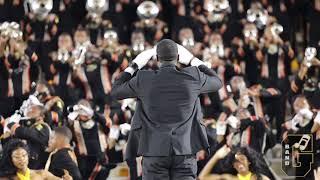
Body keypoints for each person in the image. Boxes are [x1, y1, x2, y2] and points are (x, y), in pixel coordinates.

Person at [111, 39, 222, 179]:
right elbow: (217, 82)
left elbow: (115, 91)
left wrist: (134, 65)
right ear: (178, 58)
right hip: (185, 150)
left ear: (157, 59)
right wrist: (193, 60)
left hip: (154, 151)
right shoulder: (193, 76)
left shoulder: (144, 79)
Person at [0, 138, 72, 180]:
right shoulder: (6, 178)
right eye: (16, 157)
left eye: (24, 155)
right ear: (10, 159)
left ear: (28, 156)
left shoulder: (42, 174)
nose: (21, 159)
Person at [6, 105, 51, 170]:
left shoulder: (42, 126)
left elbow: (28, 133)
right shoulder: (32, 126)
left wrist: (13, 125)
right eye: (30, 110)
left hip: (35, 165)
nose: (29, 112)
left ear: (41, 116)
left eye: (33, 111)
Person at [199, 145, 271, 180]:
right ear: (233, 165)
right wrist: (216, 156)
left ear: (249, 161)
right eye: (236, 161)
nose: (240, 163)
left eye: (242, 159)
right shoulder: (229, 178)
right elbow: (202, 177)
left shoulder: (261, 178)